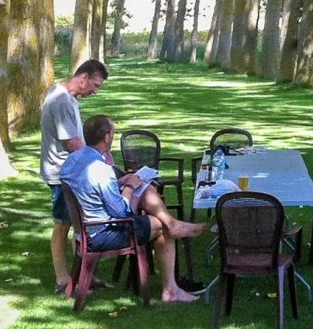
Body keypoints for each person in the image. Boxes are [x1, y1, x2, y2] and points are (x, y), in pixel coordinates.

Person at [60, 115, 205, 303]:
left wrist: (122, 182)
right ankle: (171, 290)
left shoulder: (72, 160)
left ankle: (173, 223)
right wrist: (128, 188)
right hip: (103, 232)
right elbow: (121, 212)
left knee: (144, 188)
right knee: (160, 227)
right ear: (106, 137)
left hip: (85, 228)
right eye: (112, 132)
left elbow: (87, 187)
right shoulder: (100, 169)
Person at [41, 60, 109, 293]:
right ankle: (62, 280)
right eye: (95, 85)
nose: (95, 90)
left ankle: (84, 274)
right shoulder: (60, 100)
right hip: (62, 175)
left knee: (80, 224)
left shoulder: (68, 98)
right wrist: (101, 161)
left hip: (72, 172)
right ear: (83, 78)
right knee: (63, 224)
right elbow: (73, 144)